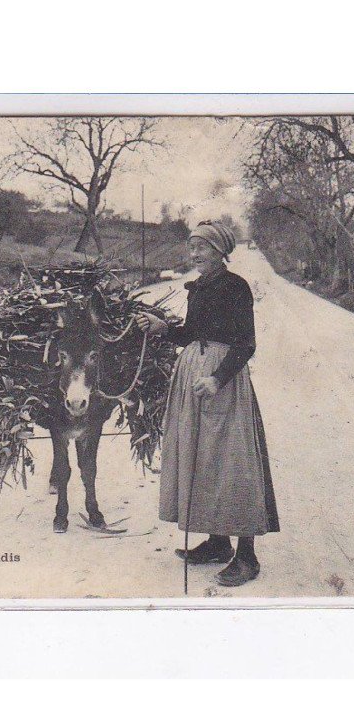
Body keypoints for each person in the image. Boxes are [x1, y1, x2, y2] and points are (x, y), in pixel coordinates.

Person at [136, 221, 279, 587]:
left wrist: (218, 378)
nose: (194, 254)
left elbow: (246, 344)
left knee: (233, 460)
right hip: (192, 378)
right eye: (192, 246)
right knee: (201, 457)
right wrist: (163, 328)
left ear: (220, 252)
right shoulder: (197, 288)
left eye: (202, 247)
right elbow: (192, 334)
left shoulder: (236, 287)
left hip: (223, 382)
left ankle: (246, 555)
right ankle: (218, 543)